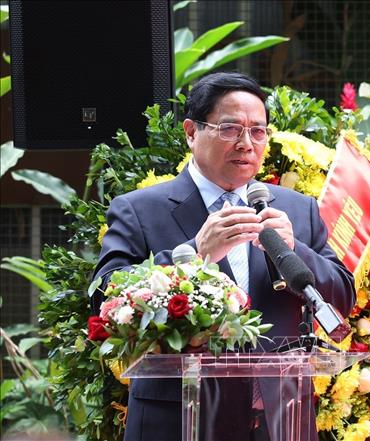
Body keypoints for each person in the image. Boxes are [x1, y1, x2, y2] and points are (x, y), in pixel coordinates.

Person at [92, 72, 356, 441]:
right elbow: (105, 295)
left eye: (258, 132)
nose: (247, 144)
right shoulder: (139, 209)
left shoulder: (298, 211)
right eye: (231, 128)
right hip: (177, 420)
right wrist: (194, 254)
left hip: (279, 421)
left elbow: (344, 296)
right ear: (191, 131)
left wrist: (297, 251)